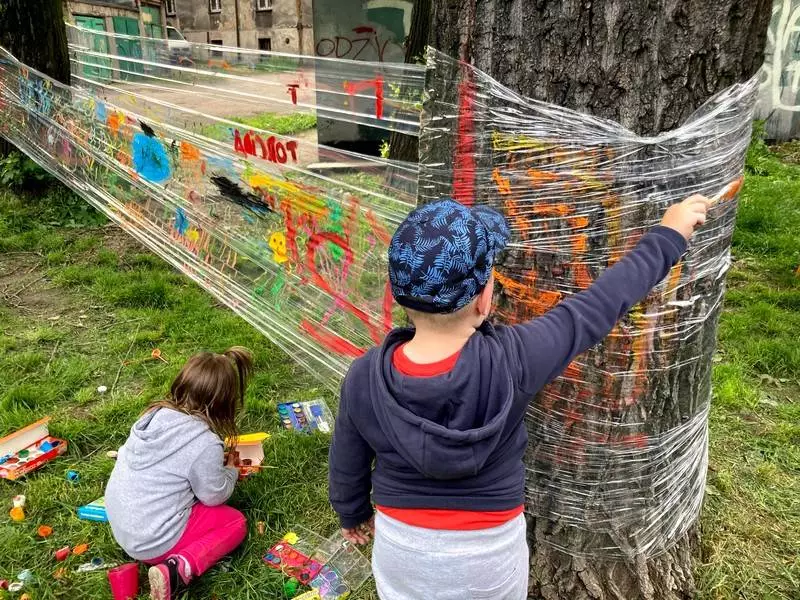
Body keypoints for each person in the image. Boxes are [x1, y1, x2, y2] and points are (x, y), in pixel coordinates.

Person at [328, 195, 710, 599]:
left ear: (399, 293)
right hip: (489, 556)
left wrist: (351, 512)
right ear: (483, 299)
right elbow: (596, 308)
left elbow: (347, 457)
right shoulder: (515, 359)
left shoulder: (364, 376)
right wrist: (668, 236)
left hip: (403, 552)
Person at [105, 347, 253, 600]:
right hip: (154, 540)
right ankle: (176, 569)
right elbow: (214, 496)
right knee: (234, 522)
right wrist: (231, 468)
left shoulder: (153, 416)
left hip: (123, 527)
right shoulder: (204, 443)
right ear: (225, 403)